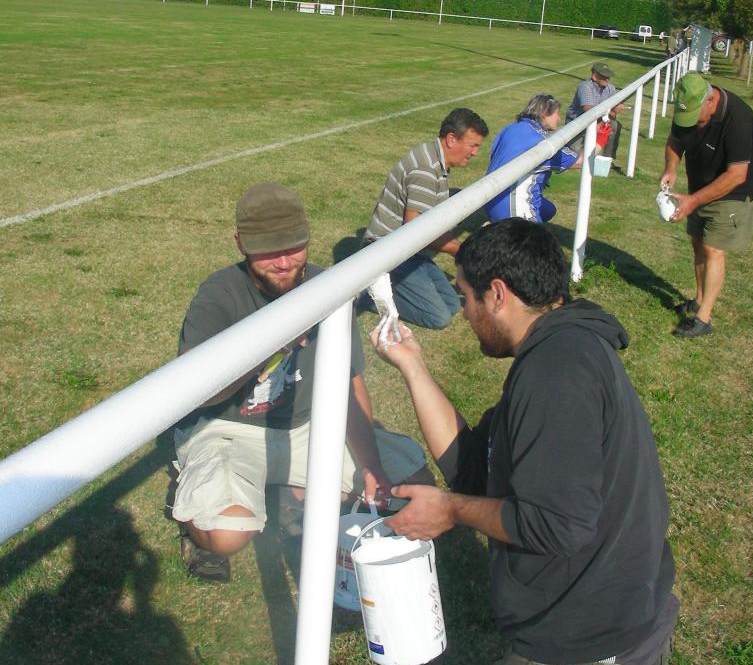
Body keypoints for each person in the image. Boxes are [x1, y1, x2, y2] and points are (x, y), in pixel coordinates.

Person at [371, 219, 678, 665]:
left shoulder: (557, 373)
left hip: (584, 655)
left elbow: (556, 526)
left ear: (497, 294)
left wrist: (450, 511)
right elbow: (473, 468)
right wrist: (413, 367)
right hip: (617, 626)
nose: (463, 314)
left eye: (464, 297)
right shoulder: (557, 348)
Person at [172, 182, 432, 582]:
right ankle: (207, 509)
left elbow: (348, 387)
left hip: (306, 427)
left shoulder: (329, 289)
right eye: (267, 249)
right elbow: (194, 392)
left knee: (411, 487)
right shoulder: (219, 294)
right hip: (228, 431)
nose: (282, 261)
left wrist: (372, 467)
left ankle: (288, 493)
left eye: (293, 246)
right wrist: (273, 342)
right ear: (240, 243)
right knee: (225, 536)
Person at [362, 107, 489, 329]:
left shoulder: (435, 158)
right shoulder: (426, 170)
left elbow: (432, 224)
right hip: (388, 253)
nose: (475, 152)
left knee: (451, 305)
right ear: (451, 139)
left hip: (411, 252)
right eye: (473, 145)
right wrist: (462, 251)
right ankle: (368, 294)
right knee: (438, 318)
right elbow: (416, 229)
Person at [661, 72, 753, 338]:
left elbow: (737, 174)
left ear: (710, 99)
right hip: (700, 184)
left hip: (735, 190)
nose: (691, 123)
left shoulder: (738, 117)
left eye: (696, 116)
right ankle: (698, 299)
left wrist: (694, 201)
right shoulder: (686, 105)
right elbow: (675, 141)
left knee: (712, 247)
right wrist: (670, 168)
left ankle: (703, 318)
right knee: (697, 241)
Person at [485, 93, 582, 223]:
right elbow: (580, 162)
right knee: (539, 242)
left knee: (548, 210)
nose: (559, 118)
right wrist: (600, 137)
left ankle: (498, 226)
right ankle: (511, 231)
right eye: (557, 113)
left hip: (488, 199)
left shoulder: (509, 128)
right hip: (512, 209)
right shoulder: (542, 142)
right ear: (544, 113)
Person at [566, 61, 624, 160]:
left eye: (608, 76)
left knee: (614, 125)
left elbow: (613, 113)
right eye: (604, 76)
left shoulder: (610, 88)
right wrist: (608, 112)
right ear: (594, 76)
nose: (607, 79)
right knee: (574, 156)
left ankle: (607, 159)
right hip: (578, 123)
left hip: (599, 120)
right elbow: (588, 110)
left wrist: (614, 111)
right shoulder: (585, 86)